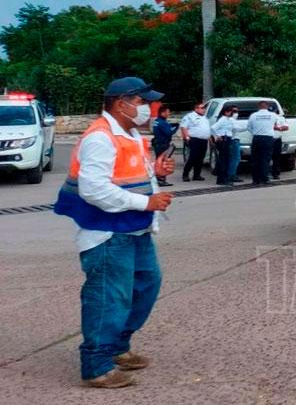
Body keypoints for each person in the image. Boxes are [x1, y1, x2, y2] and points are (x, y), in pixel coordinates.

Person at [52, 77, 174, 388]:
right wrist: (146, 202)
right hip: (107, 234)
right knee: (109, 297)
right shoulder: (100, 137)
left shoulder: (129, 134)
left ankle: (118, 346)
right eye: (143, 102)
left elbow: (127, 174)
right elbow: (94, 190)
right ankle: (96, 365)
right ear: (122, 104)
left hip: (135, 229)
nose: (149, 108)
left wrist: (156, 172)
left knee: (146, 286)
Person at [247, 101, 283, 184]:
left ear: (258, 107)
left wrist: (255, 132)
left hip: (257, 138)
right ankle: (264, 178)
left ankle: (256, 179)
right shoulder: (273, 115)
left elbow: (248, 127)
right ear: (267, 107)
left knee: (255, 159)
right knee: (265, 159)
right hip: (268, 138)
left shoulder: (253, 115)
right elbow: (278, 125)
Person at [179, 102, 211, 182]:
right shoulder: (190, 116)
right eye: (202, 108)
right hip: (194, 139)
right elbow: (183, 127)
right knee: (193, 157)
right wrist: (186, 137)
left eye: (204, 108)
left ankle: (197, 175)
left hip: (203, 140)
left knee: (200, 158)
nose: (204, 109)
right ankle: (185, 174)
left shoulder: (205, 118)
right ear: (196, 109)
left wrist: (209, 138)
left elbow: (206, 129)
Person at [150, 105, 177, 187]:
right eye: (168, 112)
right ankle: (161, 180)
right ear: (162, 112)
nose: (169, 113)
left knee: (159, 161)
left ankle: (158, 179)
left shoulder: (157, 121)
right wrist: (176, 127)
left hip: (158, 143)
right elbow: (169, 132)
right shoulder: (162, 122)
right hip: (163, 145)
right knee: (163, 162)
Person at [211, 106, 239, 185]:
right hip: (224, 140)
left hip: (228, 139)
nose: (231, 113)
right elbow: (213, 128)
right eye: (230, 111)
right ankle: (222, 179)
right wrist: (217, 135)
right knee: (224, 160)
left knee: (226, 160)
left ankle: (224, 179)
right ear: (225, 112)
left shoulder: (228, 119)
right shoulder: (223, 119)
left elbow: (235, 128)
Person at [271, 114, 290, 180]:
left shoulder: (281, 118)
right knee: (266, 157)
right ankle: (264, 173)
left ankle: (275, 173)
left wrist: (279, 128)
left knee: (277, 157)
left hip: (277, 139)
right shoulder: (267, 117)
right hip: (267, 139)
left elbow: (286, 127)